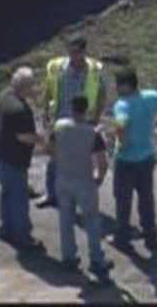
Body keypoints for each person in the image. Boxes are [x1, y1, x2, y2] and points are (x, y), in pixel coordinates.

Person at [37, 34, 107, 208]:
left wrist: (96, 118)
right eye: (70, 51)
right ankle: (51, 194)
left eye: (76, 52)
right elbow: (48, 89)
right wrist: (45, 111)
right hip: (60, 120)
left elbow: (101, 95)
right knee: (54, 159)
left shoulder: (94, 70)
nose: (72, 55)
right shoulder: (57, 67)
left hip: (83, 121)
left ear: (84, 51)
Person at [109, 68, 157, 252]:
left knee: (123, 200)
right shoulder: (151, 96)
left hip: (126, 160)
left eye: (118, 85)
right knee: (146, 198)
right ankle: (151, 237)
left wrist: (121, 143)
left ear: (126, 85)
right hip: (147, 157)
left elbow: (120, 125)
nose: (116, 88)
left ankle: (122, 237)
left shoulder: (122, 105)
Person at [53, 95, 114, 276]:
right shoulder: (92, 133)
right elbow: (102, 162)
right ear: (86, 110)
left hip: (63, 179)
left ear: (71, 109)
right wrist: (98, 178)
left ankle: (69, 258)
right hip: (84, 181)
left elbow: (50, 150)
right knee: (92, 222)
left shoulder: (59, 128)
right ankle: (97, 260)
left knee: (65, 220)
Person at [0, 66, 46, 251]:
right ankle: (23, 237)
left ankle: (6, 228)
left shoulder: (6, 98)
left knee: (7, 193)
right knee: (19, 197)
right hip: (14, 159)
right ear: (25, 86)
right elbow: (24, 136)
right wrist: (43, 142)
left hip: (2, 154)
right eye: (32, 85)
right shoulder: (19, 110)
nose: (34, 88)